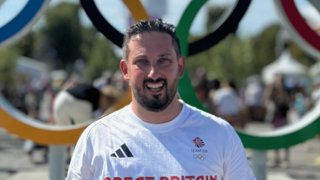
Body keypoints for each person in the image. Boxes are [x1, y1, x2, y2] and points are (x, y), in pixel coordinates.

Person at [66, 18, 255, 180]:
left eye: (163, 60)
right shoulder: (97, 137)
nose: (153, 73)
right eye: (142, 61)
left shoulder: (219, 134)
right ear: (125, 70)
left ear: (180, 66)